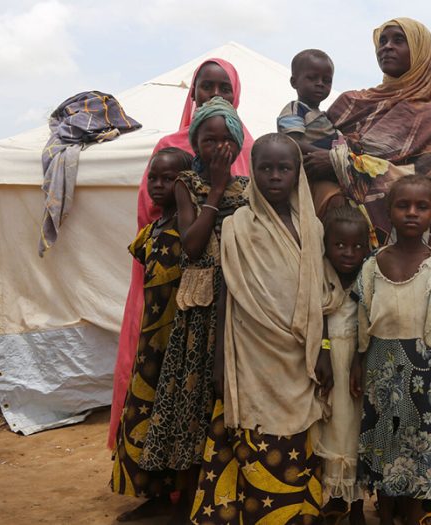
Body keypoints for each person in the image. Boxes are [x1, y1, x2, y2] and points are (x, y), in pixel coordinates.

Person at [108, 58, 254, 450]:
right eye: (208, 86)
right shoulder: (170, 147)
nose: (216, 95)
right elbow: (149, 211)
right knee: (163, 373)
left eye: (226, 88)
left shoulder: (251, 146)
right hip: (172, 277)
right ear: (193, 92)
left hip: (230, 287)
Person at [190, 133, 333, 525]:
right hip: (251, 357)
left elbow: (321, 298)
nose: (274, 176)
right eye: (265, 168)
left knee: (297, 444)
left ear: (297, 173)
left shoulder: (313, 229)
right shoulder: (236, 226)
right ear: (252, 172)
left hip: (299, 357)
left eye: (284, 168)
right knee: (253, 438)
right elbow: (228, 299)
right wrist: (220, 360)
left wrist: (322, 348)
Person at [137, 97, 249, 524]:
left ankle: (223, 494)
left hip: (237, 309)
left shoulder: (251, 189)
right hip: (199, 310)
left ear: (238, 144)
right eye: (208, 139)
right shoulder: (188, 183)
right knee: (191, 398)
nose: (217, 146)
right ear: (196, 142)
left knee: (225, 402)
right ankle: (183, 499)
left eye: (225, 139)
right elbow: (193, 244)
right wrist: (216, 188)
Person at [350, 175, 431, 525]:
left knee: (419, 445)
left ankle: (415, 514)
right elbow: (362, 318)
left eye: (422, 207)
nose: (412, 213)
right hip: (380, 365)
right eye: (403, 206)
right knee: (383, 442)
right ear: (388, 212)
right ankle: (386, 515)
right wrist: (357, 363)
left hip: (423, 368)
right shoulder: (372, 265)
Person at [304, 18, 431, 255]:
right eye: (382, 41)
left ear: (419, 50)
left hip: (395, 243)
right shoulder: (351, 102)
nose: (387, 47)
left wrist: (339, 164)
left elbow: (419, 178)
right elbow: (311, 143)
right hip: (328, 236)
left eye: (398, 40)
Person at [110, 147, 192, 522]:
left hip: (180, 341)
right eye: (153, 178)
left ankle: (181, 498)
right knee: (147, 414)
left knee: (176, 417)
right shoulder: (151, 232)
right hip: (151, 343)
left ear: (186, 181)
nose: (158, 185)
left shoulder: (190, 232)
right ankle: (156, 493)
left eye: (168, 178)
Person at [315, 206, 370, 525]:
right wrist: (323, 351)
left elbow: (370, 324)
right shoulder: (320, 273)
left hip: (356, 366)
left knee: (356, 431)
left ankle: (359, 504)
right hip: (329, 363)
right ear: (326, 245)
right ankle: (336, 499)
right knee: (332, 428)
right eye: (339, 245)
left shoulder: (369, 275)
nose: (349, 253)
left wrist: (359, 362)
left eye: (357, 246)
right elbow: (317, 316)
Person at [277, 49, 345, 218]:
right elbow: (291, 143)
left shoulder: (322, 115)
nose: (320, 83)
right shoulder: (294, 109)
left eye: (326, 80)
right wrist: (331, 157)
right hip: (312, 173)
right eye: (312, 78)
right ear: (294, 82)